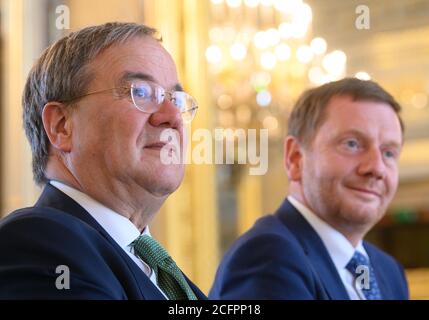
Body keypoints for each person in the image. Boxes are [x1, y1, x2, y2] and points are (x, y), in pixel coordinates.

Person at [0, 22, 205, 300]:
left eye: (176, 100)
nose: (173, 116)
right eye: (141, 92)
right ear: (62, 126)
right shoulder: (38, 242)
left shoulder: (155, 266)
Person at [210, 78, 409, 300]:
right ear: (295, 158)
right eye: (352, 144)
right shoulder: (269, 256)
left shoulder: (389, 271)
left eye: (389, 153)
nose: (377, 168)